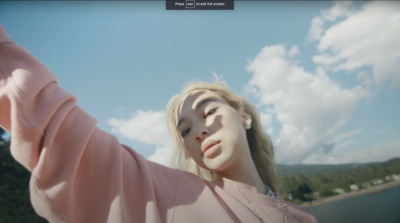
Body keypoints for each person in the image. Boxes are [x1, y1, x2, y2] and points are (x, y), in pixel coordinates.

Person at [0, 25, 317, 223]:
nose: (199, 131)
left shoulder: (301, 216)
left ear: (244, 116)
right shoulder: (175, 195)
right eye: (186, 131)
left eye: (207, 113)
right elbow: (65, 135)